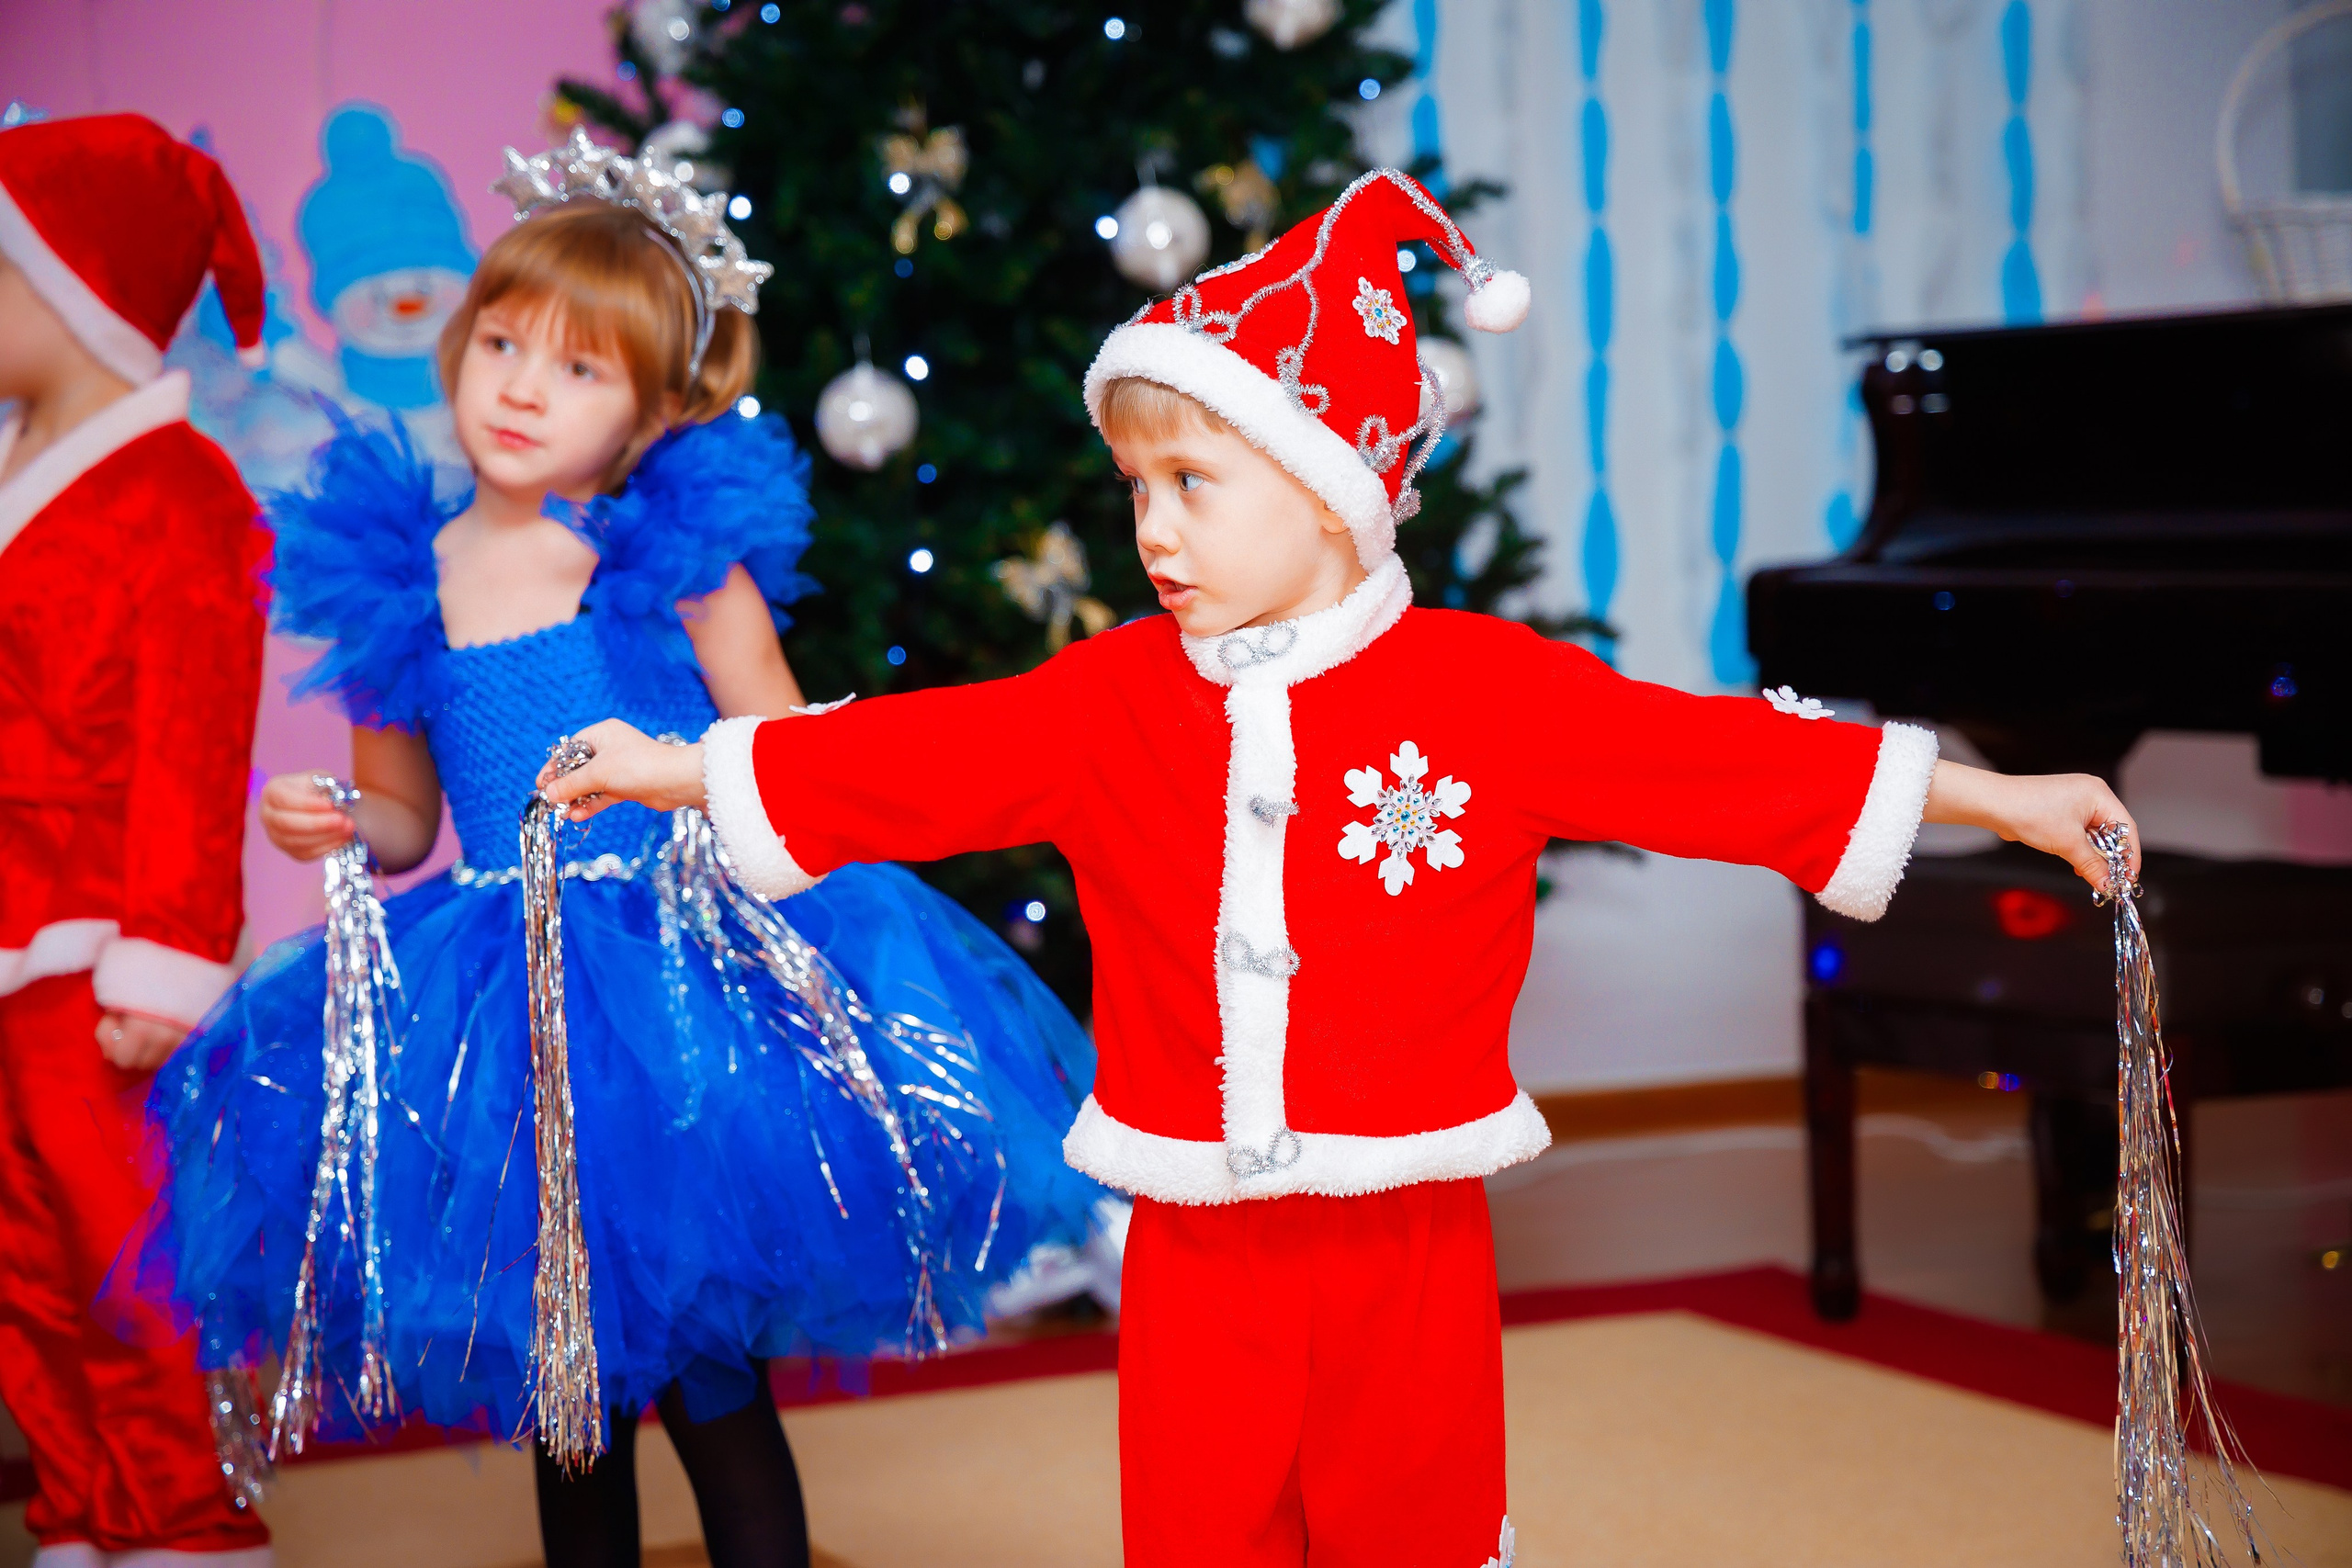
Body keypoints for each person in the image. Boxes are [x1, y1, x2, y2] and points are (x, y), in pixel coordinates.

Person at [541, 170, 2142, 1568]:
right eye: (1137, 492)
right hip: (1192, 1234)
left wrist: (1995, 800)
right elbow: (916, 757)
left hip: (1404, 1231)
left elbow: (1717, 763)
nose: (1152, 531)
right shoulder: (1108, 697)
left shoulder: (1484, 690)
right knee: (1198, 1515)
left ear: (1329, 494)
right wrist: (680, 766)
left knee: (1412, 1514)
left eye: (1192, 486)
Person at [127, 133, 1107, 1568]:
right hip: (499, 1011)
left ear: (653, 410)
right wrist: (341, 821)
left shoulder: (662, 555)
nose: (522, 386)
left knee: (711, 1376)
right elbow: (405, 817)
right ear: (457, 348)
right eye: (504, 342)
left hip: (678, 985)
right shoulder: (403, 579)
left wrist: (698, 791)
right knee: (565, 1383)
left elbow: (785, 746)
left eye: (579, 369)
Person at [0, 113, 277, 1568]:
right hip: (7, 941)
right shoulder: (20, 488)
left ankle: (183, 1520)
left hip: (100, 955)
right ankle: (79, 1512)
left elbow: (193, 741)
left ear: (81, 294)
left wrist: (165, 960)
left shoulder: (177, 495)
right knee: (21, 1273)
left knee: (128, 1268)